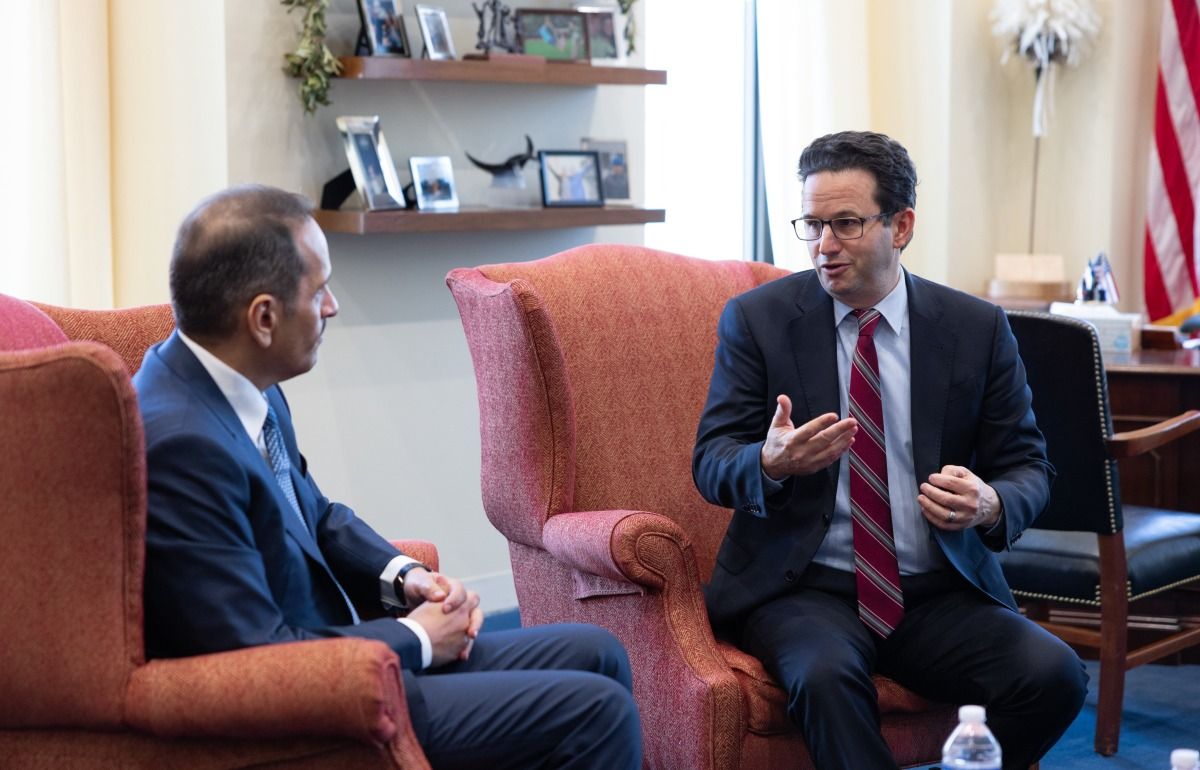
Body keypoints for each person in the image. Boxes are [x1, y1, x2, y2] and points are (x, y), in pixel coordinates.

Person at [134, 184, 641, 770]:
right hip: (317, 707)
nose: (331, 306)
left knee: (597, 651)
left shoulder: (244, 386)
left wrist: (407, 580)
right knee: (597, 713)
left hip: (348, 657)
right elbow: (255, 657)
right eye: (318, 290)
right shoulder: (183, 446)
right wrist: (418, 639)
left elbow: (315, 517)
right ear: (264, 317)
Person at [692, 131, 1087, 770]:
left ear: (900, 226)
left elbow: (1028, 465)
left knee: (1054, 674)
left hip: (936, 591)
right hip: (804, 589)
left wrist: (990, 503)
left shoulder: (975, 329)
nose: (824, 245)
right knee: (824, 680)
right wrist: (769, 463)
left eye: (846, 224)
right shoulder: (759, 321)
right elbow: (710, 461)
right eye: (812, 225)